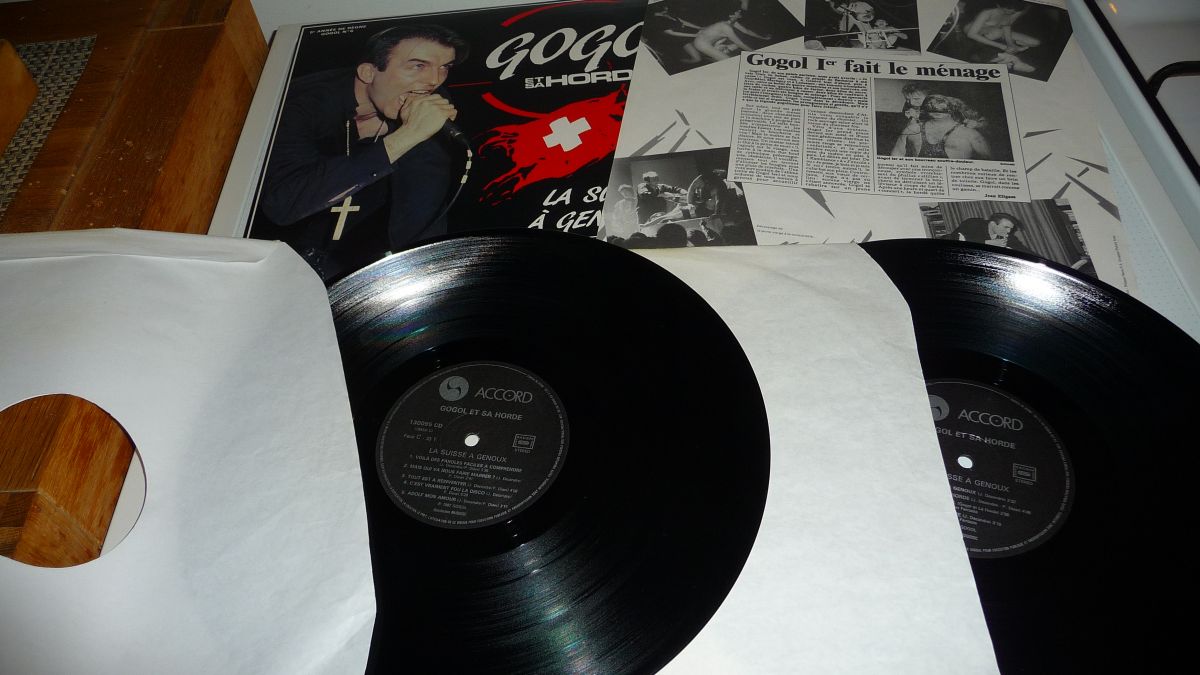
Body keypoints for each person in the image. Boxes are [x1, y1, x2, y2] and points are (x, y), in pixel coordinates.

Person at [256, 24, 469, 282]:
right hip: (272, 251)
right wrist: (406, 136)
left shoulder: (428, 103)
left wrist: (426, 277)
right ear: (368, 72)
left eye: (445, 67)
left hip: (353, 255)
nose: (434, 80)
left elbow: (422, 205)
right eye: (418, 66)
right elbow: (283, 204)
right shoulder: (300, 103)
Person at [891, 94, 991, 159]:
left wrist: (979, 125)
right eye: (932, 107)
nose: (937, 110)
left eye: (941, 107)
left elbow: (990, 160)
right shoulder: (912, 129)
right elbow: (896, 155)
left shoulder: (969, 133)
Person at [964, 0, 1040, 74]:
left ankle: (1007, 55)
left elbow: (1006, 27)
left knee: (1035, 42)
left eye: (1015, 10)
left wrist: (1011, 44)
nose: (1012, 11)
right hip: (978, 35)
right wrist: (1001, 46)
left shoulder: (1009, 13)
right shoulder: (987, 13)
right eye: (1009, 8)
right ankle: (1011, 61)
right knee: (996, 34)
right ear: (999, 5)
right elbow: (971, 34)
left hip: (995, 33)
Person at [941, 212, 1032, 252]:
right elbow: (957, 241)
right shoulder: (973, 224)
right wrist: (989, 243)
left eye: (1010, 229)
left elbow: (1023, 251)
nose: (1008, 231)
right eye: (1006, 227)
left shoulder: (1008, 237)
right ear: (992, 224)